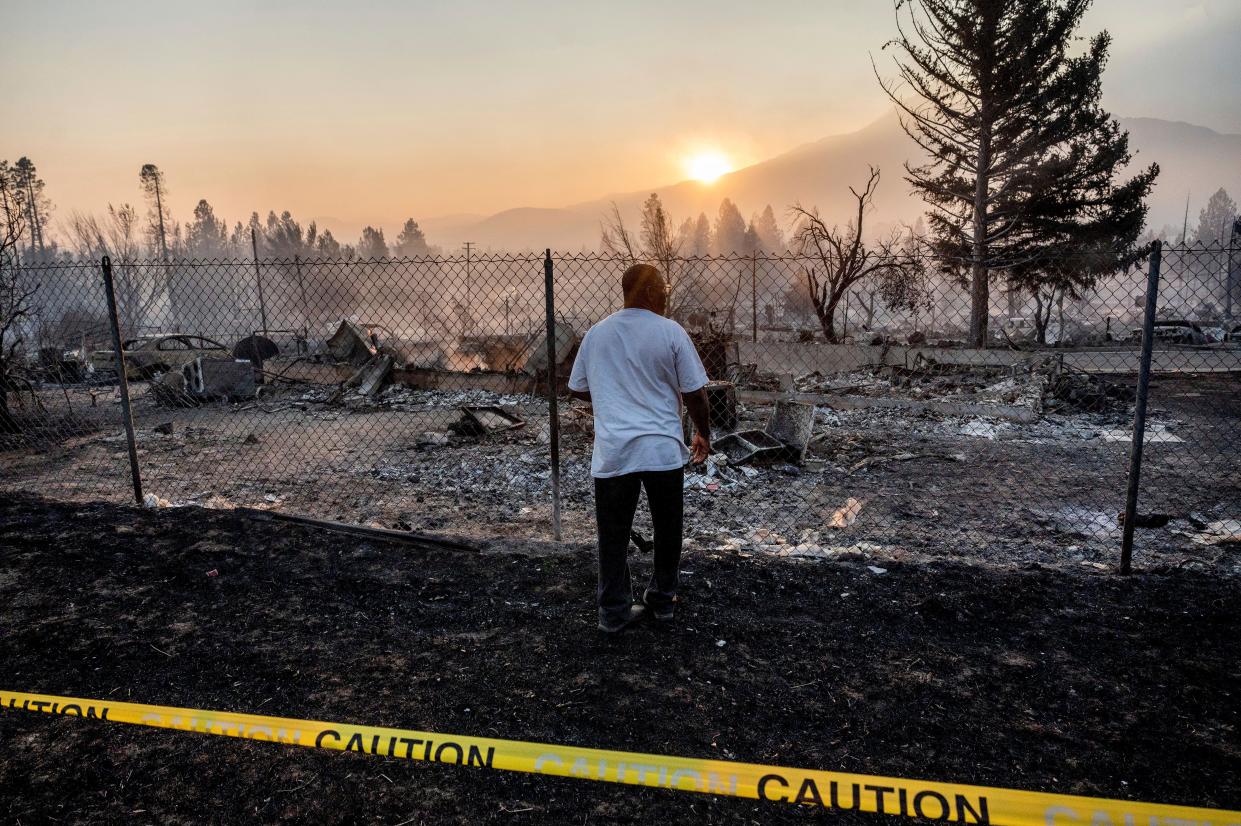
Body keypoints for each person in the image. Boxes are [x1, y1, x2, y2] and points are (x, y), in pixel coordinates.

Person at [568, 263, 712, 633]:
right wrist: (703, 433)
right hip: (662, 449)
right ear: (649, 292)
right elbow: (695, 392)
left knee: (613, 534)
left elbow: (578, 387)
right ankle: (663, 600)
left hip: (615, 449)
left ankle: (613, 612)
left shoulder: (596, 334)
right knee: (668, 528)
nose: (666, 294)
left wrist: (611, 393)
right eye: (662, 288)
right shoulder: (670, 332)